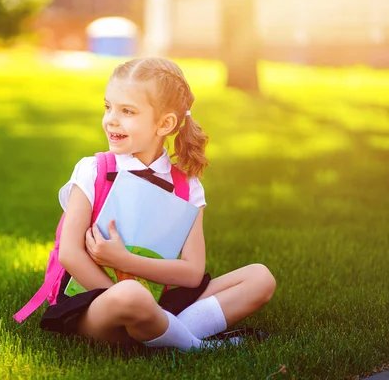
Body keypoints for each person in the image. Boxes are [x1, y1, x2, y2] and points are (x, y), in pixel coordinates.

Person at [39, 57, 276, 351]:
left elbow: (191, 272)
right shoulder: (93, 170)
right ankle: (191, 344)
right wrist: (130, 299)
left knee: (260, 278)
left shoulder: (186, 186)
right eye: (108, 106)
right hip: (98, 302)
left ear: (164, 123)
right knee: (131, 296)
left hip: (154, 299)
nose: (111, 118)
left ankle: (159, 331)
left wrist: (123, 261)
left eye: (127, 111)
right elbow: (70, 254)